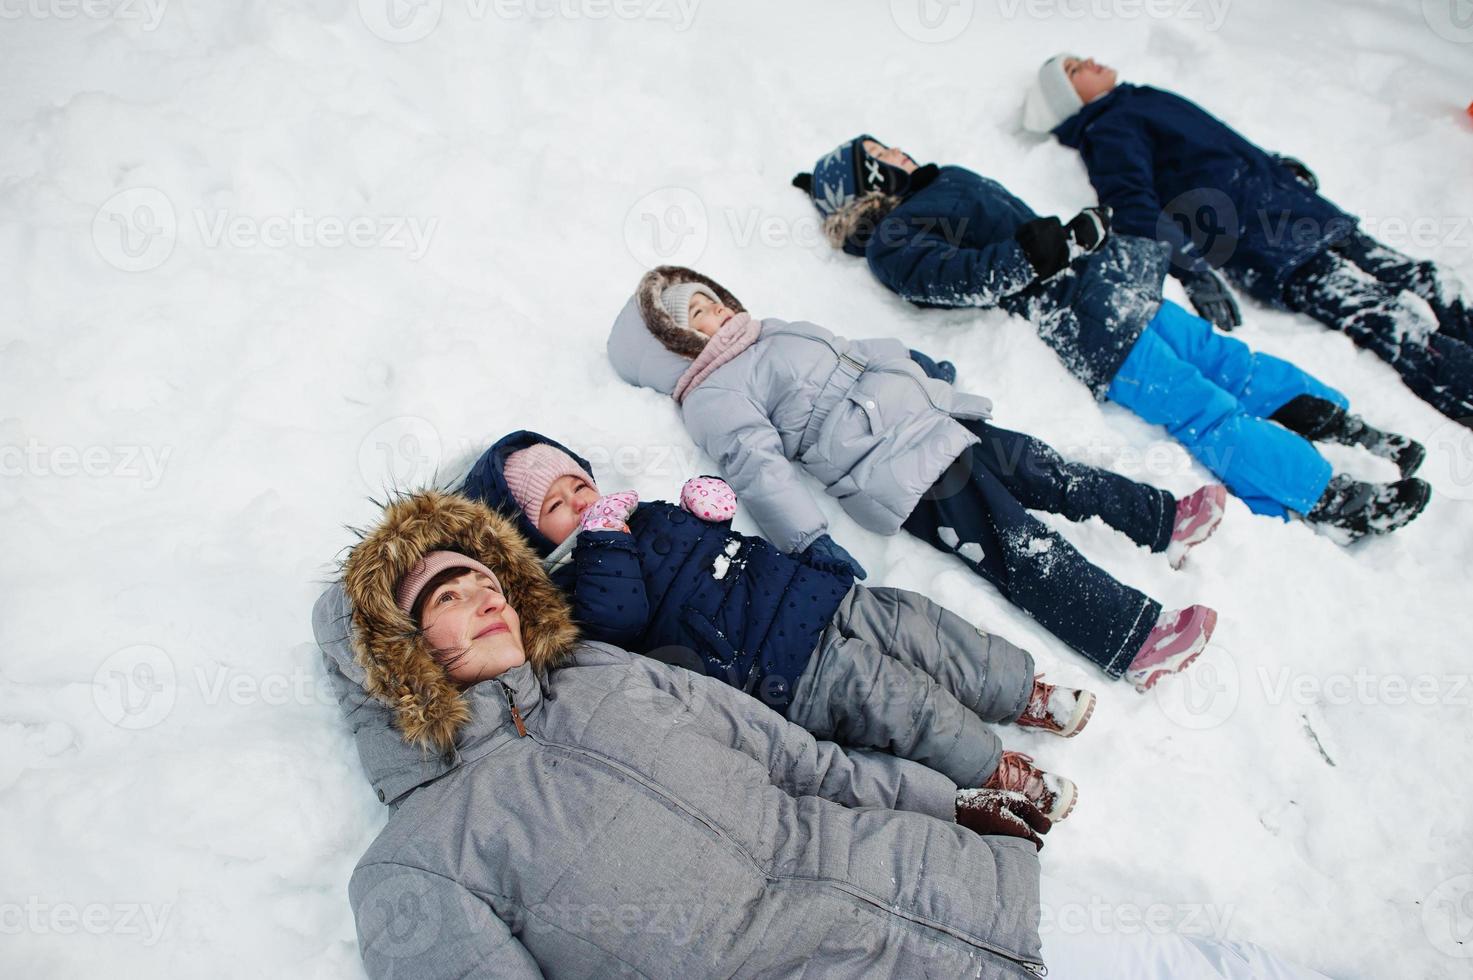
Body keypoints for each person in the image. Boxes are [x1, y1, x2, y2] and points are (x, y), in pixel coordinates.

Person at [311, 489, 1338, 979]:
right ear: (393, 648)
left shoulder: (608, 674)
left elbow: (810, 764)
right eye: (449, 589)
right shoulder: (422, 859)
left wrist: (981, 805)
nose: (485, 591)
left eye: (490, 573)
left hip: (959, 883)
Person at [607, 264, 1224, 691]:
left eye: (709, 296)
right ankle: (1136, 641)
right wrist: (808, 540)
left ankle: (1162, 519)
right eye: (694, 313)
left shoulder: (767, 332)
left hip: (932, 413)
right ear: (674, 346)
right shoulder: (714, 392)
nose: (715, 308)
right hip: (900, 468)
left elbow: (855, 349)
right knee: (1019, 543)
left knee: (1048, 469)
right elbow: (756, 466)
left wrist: (914, 364)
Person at [792, 134, 1430, 542]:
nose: (901, 151)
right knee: (1209, 412)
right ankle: (1336, 498)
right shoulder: (892, 241)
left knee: (1232, 363)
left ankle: (1345, 426)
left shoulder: (942, 180)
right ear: (868, 183)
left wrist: (1080, 240)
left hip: (1112, 284)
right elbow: (961, 278)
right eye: (882, 155)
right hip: (1087, 322)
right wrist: (1045, 250)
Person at [461, 430, 1093, 816]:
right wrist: (602, 542)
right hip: (786, 662)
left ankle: (1019, 689)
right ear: (529, 538)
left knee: (923, 626)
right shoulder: (574, 588)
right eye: (556, 507)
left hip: (814, 593)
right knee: (903, 703)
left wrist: (701, 512)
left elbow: (703, 550)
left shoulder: (638, 515)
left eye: (577, 485)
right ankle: (992, 771)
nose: (580, 503)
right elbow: (621, 618)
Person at [1024, 53, 1473, 427]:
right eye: (1072, 70)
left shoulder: (1137, 100)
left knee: (1423, 278)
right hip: (1269, 243)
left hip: (1299, 209)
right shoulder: (1109, 129)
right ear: (1067, 97)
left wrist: (1275, 166)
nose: (1087, 61)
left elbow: (1216, 149)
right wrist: (1190, 267)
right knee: (1387, 317)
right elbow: (1131, 202)